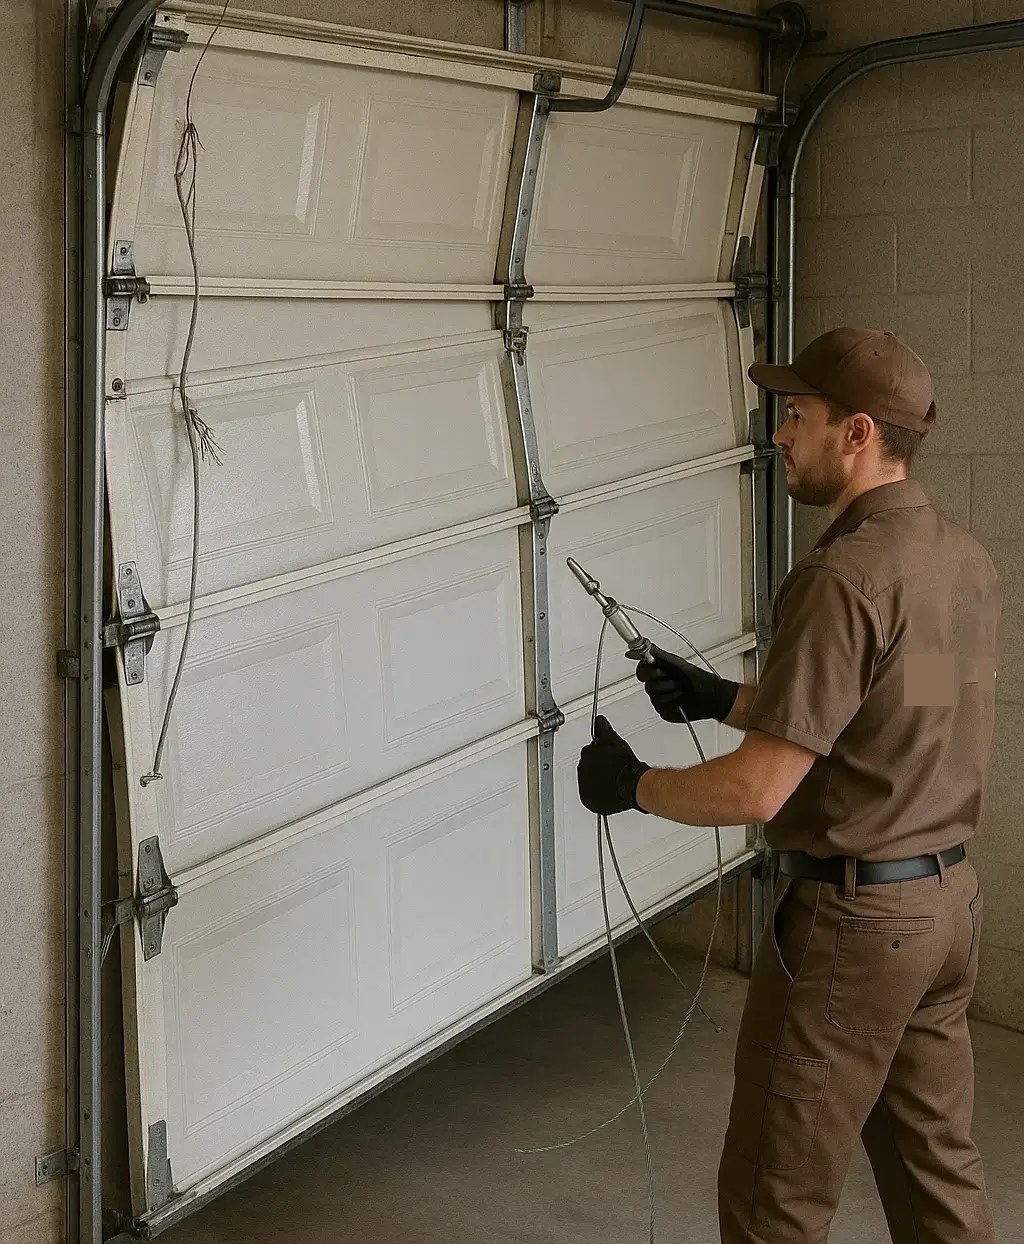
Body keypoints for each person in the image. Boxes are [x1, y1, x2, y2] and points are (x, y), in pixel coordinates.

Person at [576, 327, 1002, 1244]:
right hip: (945, 913)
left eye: (795, 415)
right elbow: (894, 711)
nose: (779, 433)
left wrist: (633, 783)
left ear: (856, 432)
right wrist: (723, 697)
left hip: (855, 930)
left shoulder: (842, 575)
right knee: (939, 1181)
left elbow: (759, 792)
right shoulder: (960, 559)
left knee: (777, 1199)